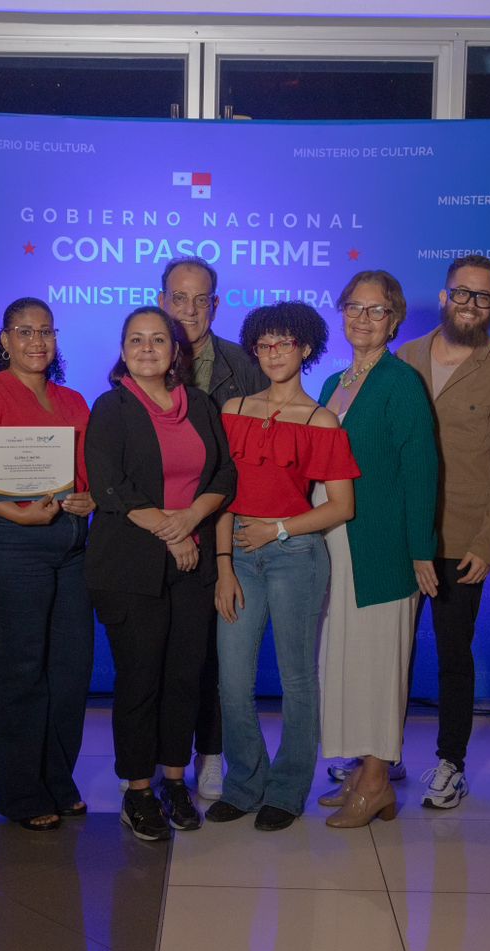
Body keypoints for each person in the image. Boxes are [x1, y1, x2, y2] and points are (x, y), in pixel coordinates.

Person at [0, 297, 96, 832]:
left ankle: (59, 778)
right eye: (24, 332)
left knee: (71, 669)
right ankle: (21, 792)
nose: (37, 342)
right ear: (5, 340)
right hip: (9, 544)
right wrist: (13, 511)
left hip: (72, 546)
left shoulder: (75, 401)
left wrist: (89, 497)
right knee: (21, 669)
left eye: (46, 332)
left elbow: (87, 473)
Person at [86, 306, 236, 841]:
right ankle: (138, 790)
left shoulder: (199, 404)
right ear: (123, 349)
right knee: (141, 681)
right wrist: (174, 535)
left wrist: (192, 519)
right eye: (136, 339)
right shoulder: (111, 407)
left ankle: (175, 780)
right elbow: (110, 487)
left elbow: (224, 472)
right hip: (131, 567)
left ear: (176, 351)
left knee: (185, 680)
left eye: (158, 340)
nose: (147, 348)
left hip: (192, 566)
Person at [207, 301, 357, 832]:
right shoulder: (232, 411)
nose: (273, 354)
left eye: (284, 344)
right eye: (264, 345)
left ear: (306, 349)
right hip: (238, 554)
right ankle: (244, 784)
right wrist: (223, 565)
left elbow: (341, 505)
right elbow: (220, 495)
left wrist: (281, 528)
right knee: (232, 678)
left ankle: (288, 790)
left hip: (295, 554)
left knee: (296, 678)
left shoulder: (322, 419)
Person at [398, 255, 490, 809]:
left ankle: (450, 763)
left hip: (461, 545)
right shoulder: (403, 360)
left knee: (454, 655)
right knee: (390, 655)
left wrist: (489, 542)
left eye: (483, 297)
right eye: (462, 294)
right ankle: (378, 757)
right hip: (399, 538)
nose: (471, 305)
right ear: (443, 296)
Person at [314, 271, 438, 828]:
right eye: (354, 308)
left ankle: (376, 781)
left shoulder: (400, 382)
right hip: (338, 545)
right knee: (350, 661)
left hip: (383, 548)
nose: (363, 320)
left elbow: (421, 470)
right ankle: (361, 772)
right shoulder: (335, 383)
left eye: (376, 310)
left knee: (382, 663)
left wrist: (420, 551)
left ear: (396, 319)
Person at [160, 256, 267, 799]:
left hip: (222, 527)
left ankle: (211, 752)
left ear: (216, 305)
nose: (190, 310)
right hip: (159, 530)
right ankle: (167, 752)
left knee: (216, 653)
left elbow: (248, 460)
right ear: (162, 302)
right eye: (179, 298)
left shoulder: (242, 366)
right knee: (167, 652)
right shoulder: (142, 357)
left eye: (201, 299)